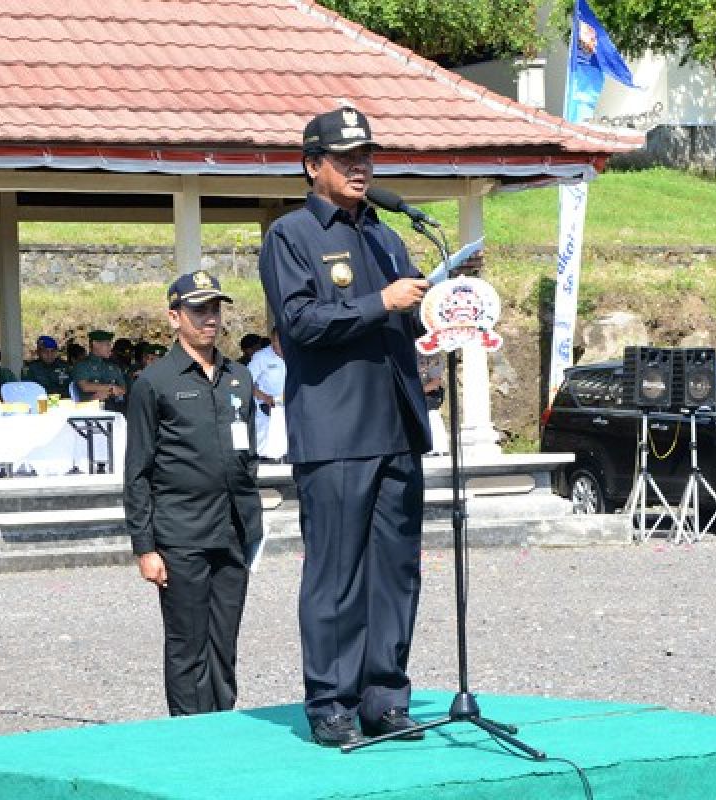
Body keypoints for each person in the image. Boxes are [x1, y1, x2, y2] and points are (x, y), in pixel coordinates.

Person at [258, 105, 433, 748]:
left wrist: (443, 303)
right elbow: (299, 324)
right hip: (335, 434)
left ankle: (384, 696)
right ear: (313, 166)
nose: (361, 167)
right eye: (347, 157)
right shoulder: (291, 236)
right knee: (336, 574)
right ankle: (331, 699)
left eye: (367, 156)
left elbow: (409, 325)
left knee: (397, 570)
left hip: (396, 428)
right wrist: (380, 302)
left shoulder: (388, 236)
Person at [123, 270, 262, 717]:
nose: (210, 319)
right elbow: (137, 472)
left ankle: (221, 725)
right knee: (187, 643)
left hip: (233, 531)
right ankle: (187, 731)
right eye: (199, 309)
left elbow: (248, 453)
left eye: (215, 309)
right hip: (181, 533)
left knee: (224, 640)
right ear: (174, 316)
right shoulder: (155, 382)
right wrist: (145, 547)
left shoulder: (238, 377)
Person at [247, 328, 285, 457]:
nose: (276, 346)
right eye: (274, 342)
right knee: (266, 451)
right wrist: (265, 397)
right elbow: (246, 382)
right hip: (268, 409)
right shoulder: (261, 357)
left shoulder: (295, 354)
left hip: (291, 408)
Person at [72, 330, 128, 410]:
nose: (110, 348)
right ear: (95, 344)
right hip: (90, 411)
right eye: (107, 344)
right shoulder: (82, 365)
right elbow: (85, 386)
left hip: (115, 409)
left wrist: (109, 392)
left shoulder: (113, 366)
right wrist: (111, 387)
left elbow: (123, 389)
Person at [417, 351, 450, 455]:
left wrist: (416, 393)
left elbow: (435, 382)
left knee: (432, 415)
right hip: (417, 392)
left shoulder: (433, 357)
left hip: (430, 394)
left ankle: (438, 447)